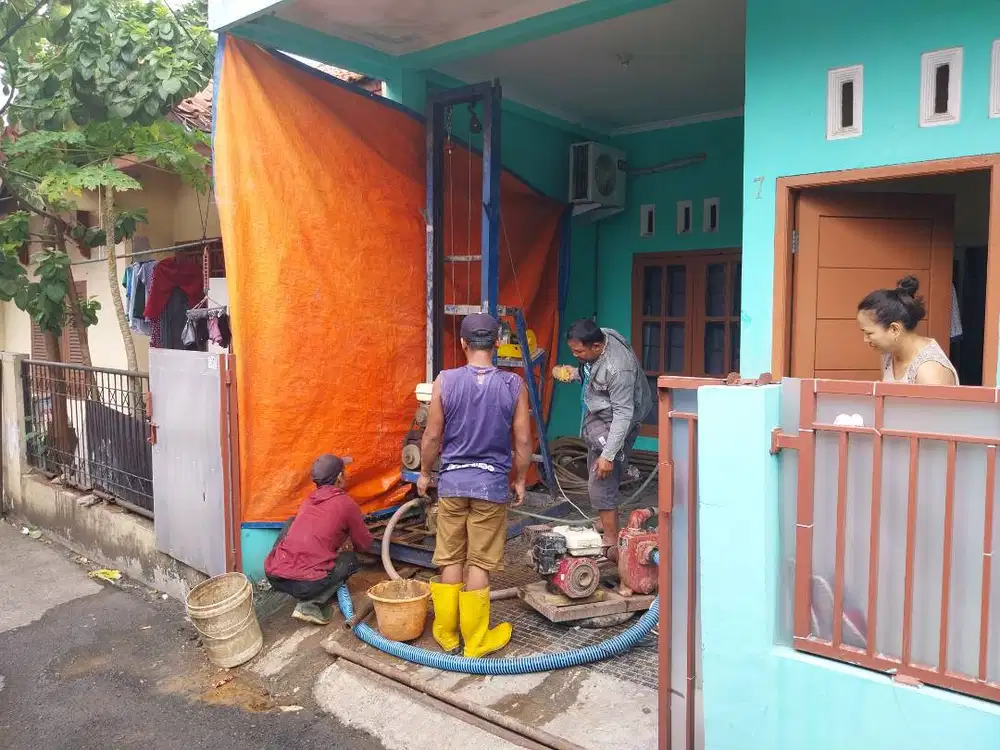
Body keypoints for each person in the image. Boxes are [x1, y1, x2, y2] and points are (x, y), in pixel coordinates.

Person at [418, 313, 533, 658]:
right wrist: (522, 478)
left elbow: (433, 435)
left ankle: (446, 632)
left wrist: (425, 472)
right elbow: (524, 441)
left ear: (463, 344)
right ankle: (476, 640)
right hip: (491, 487)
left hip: (452, 484)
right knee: (480, 562)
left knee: (450, 557)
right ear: (498, 343)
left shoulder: (445, 381)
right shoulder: (514, 385)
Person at [552, 319, 652, 559]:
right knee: (595, 470)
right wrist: (574, 373)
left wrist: (608, 455)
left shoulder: (618, 369)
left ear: (596, 346)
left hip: (618, 419)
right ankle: (605, 519)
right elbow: (592, 372)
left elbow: (623, 414)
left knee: (601, 476)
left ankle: (611, 543)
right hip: (602, 410)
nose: (575, 354)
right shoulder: (604, 336)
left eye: (578, 351)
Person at [264, 454, 374, 626]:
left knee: (291, 523)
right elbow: (365, 545)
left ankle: (285, 571)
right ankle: (310, 604)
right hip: (305, 585)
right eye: (344, 472)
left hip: (274, 576)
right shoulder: (346, 504)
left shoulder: (309, 500)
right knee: (351, 561)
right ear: (339, 477)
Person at [857, 276, 958, 386]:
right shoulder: (889, 353)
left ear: (894, 329)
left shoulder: (929, 371)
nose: (865, 339)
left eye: (869, 333)